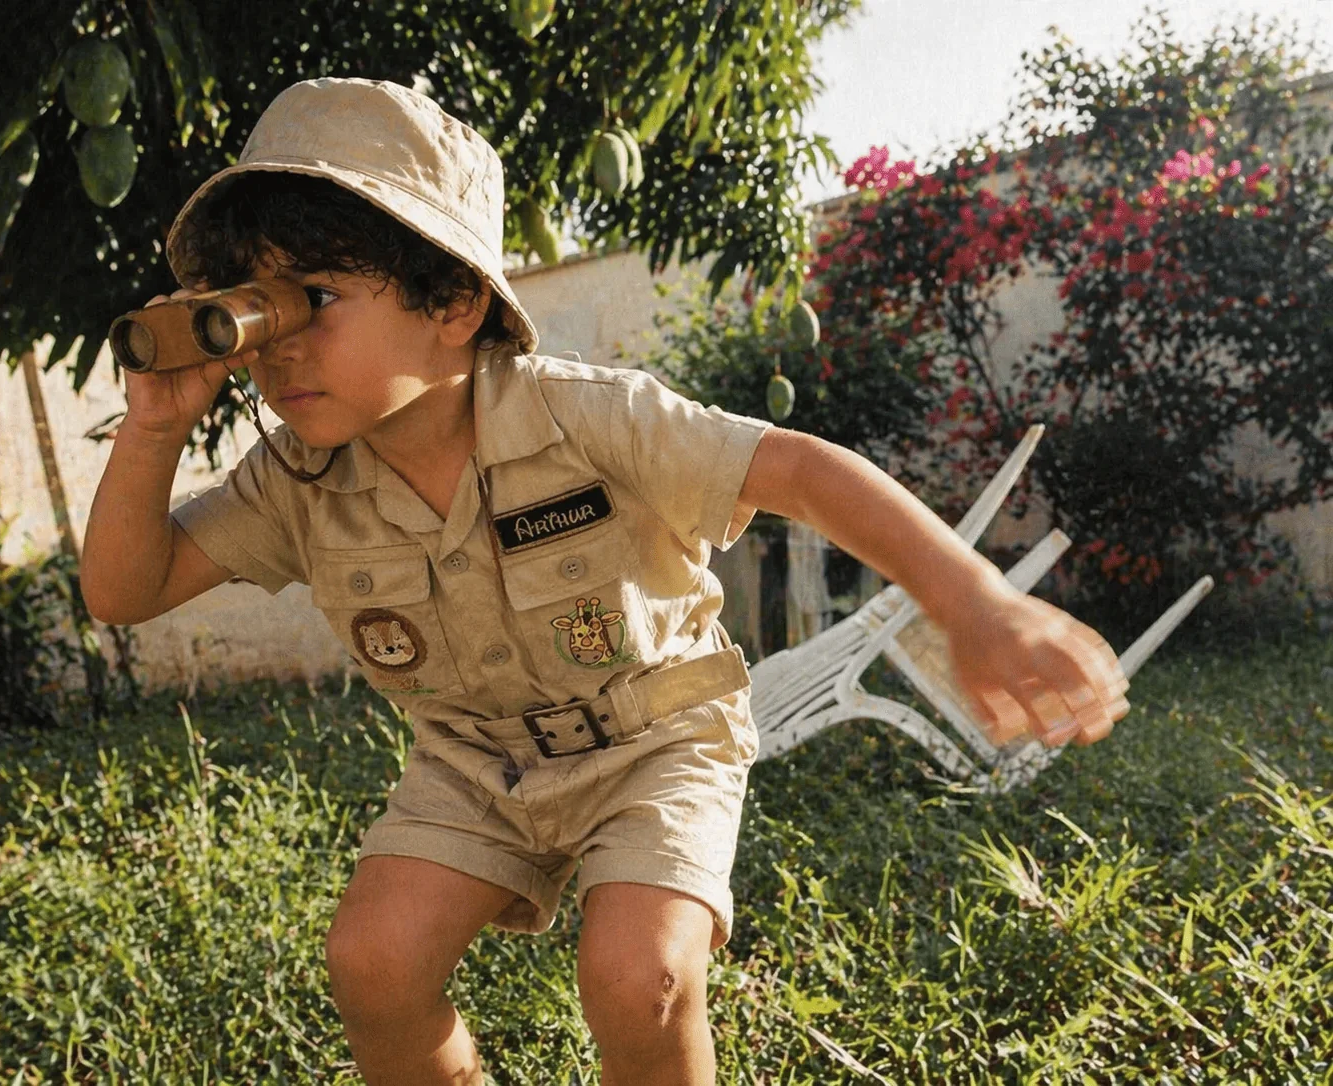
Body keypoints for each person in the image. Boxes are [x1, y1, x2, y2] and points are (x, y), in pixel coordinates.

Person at [80, 77, 1130, 1086]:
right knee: (373, 967)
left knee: (642, 979)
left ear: (449, 301)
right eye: (255, 312)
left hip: (655, 741)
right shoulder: (295, 480)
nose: (281, 348)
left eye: (315, 298)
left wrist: (974, 602)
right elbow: (129, 590)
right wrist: (154, 428)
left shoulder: (585, 414)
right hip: (473, 766)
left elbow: (798, 469)